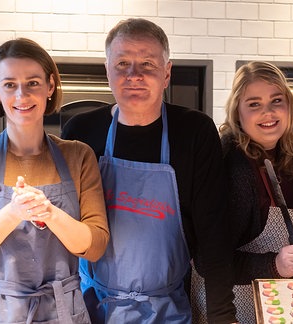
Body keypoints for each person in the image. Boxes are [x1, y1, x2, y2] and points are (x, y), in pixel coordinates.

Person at [61, 18, 237, 323]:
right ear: (108, 71)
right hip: (92, 308)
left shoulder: (194, 132)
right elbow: (64, 227)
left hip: (167, 309)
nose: (134, 75)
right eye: (123, 64)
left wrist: (222, 316)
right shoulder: (81, 132)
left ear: (166, 72)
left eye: (147, 64)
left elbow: (213, 234)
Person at [0, 38, 110, 323]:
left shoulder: (78, 156)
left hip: (63, 311)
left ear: (50, 87)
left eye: (33, 82)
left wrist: (50, 213)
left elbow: (95, 246)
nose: (22, 95)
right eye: (9, 84)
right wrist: (13, 213)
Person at [209, 61, 293, 323]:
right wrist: (274, 265)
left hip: (276, 300)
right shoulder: (233, 166)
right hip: (234, 305)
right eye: (254, 104)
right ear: (237, 113)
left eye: (276, 101)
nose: (268, 113)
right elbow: (208, 259)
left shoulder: (291, 157)